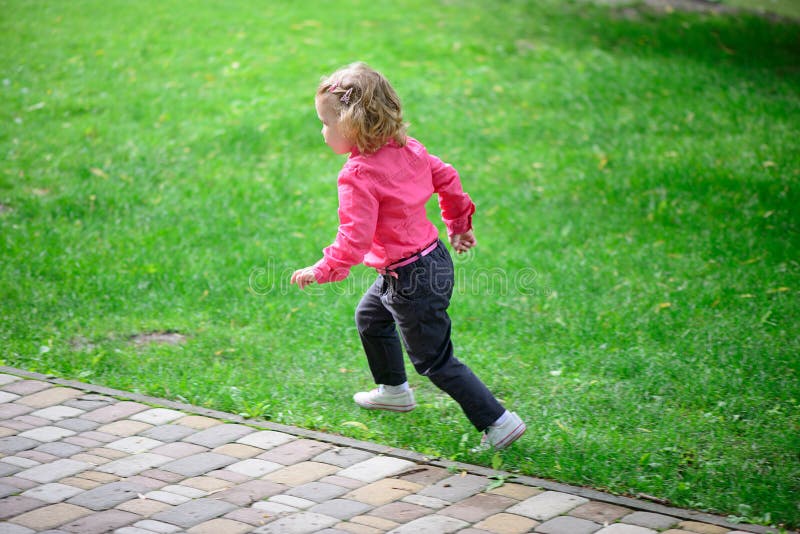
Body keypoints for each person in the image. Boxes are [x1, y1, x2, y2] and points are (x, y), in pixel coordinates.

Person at [290, 62, 525, 450]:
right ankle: (394, 391)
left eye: (326, 122)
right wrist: (459, 224)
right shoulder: (408, 149)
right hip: (430, 260)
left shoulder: (357, 175)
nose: (322, 130)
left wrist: (324, 268)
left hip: (410, 278)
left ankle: (498, 421)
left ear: (352, 125)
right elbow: (446, 177)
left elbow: (355, 238)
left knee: (435, 360)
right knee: (370, 317)